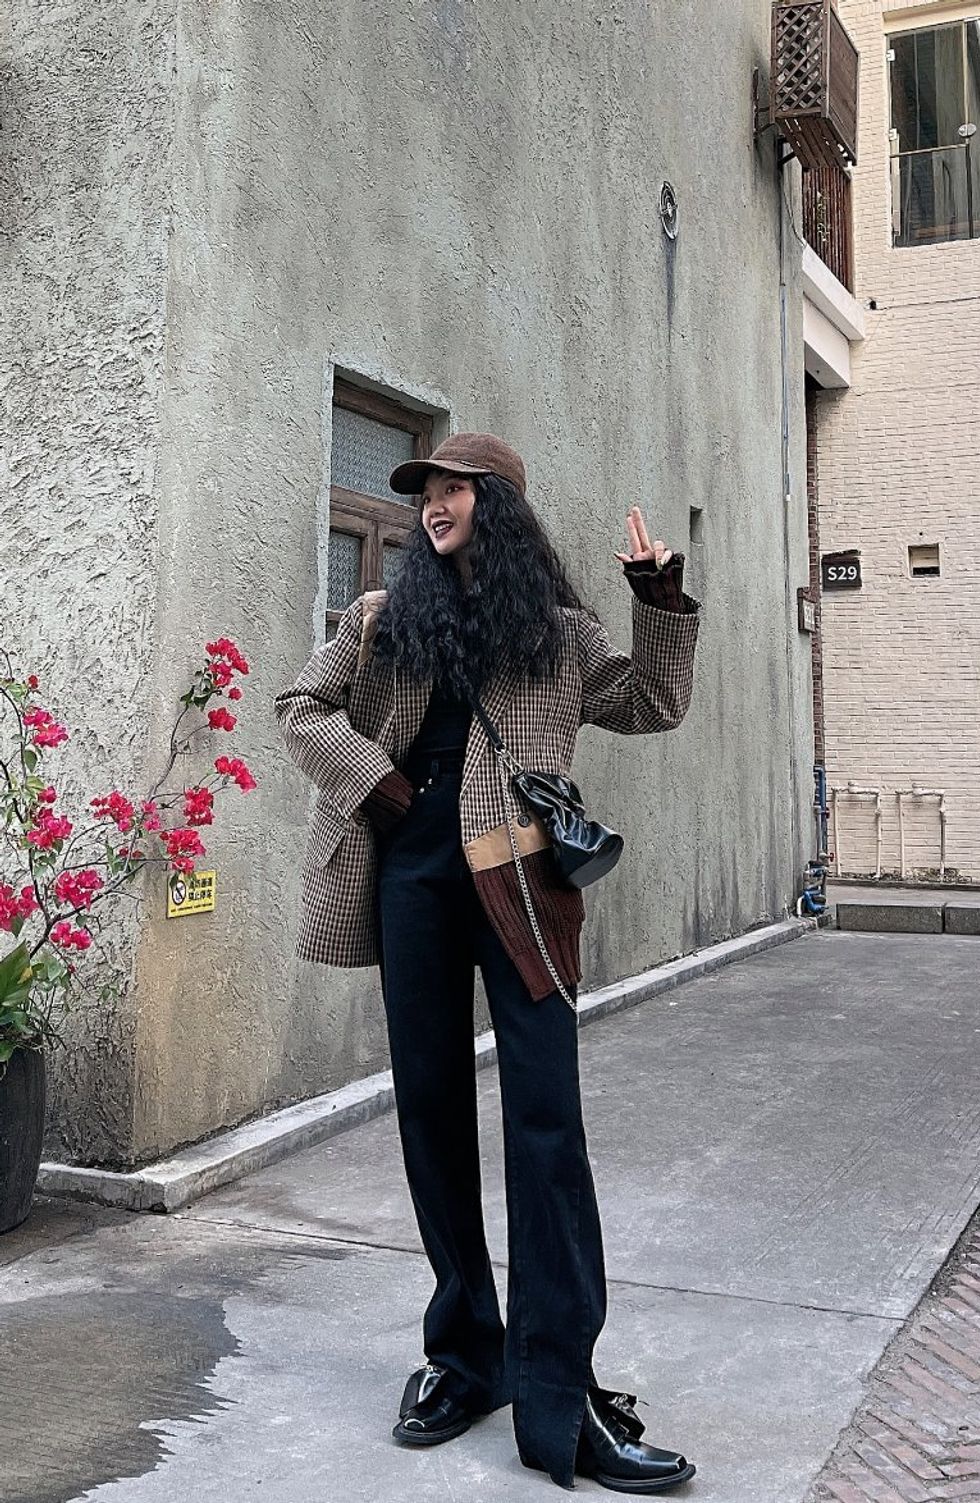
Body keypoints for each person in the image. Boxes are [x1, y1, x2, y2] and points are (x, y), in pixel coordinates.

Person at [274, 433, 701, 1493]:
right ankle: (465, 1355)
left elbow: (652, 703)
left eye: (454, 489)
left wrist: (657, 599)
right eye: (426, 489)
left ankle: (560, 1392)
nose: (433, 503)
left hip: (522, 886)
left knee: (546, 1126)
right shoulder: (382, 619)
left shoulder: (556, 631)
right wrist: (380, 786)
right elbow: (299, 707)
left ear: (497, 505)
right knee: (429, 1113)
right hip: (412, 882)